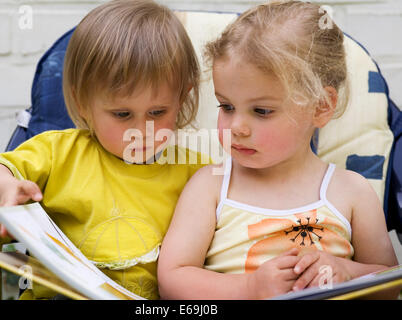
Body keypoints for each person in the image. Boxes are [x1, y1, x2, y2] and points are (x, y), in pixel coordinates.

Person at [0, 0, 209, 300]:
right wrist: (6, 188)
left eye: (157, 112)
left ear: (181, 98)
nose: (141, 130)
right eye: (122, 114)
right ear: (83, 103)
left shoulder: (197, 174)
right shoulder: (59, 152)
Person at [157, 0, 399, 300]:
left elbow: (390, 282)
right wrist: (248, 288)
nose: (237, 127)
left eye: (261, 110)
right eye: (227, 106)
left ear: (321, 106)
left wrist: (348, 273)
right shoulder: (211, 186)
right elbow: (171, 280)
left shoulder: (352, 191)